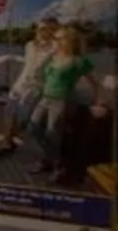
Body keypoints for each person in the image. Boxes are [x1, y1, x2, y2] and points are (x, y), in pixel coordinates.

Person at [32, 24, 97, 180]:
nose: (54, 40)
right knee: (33, 128)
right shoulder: (53, 57)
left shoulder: (78, 61)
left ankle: (57, 167)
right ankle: (49, 158)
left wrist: (97, 101)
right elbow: (39, 73)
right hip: (45, 98)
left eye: (58, 38)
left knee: (53, 134)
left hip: (61, 100)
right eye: (54, 38)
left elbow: (94, 82)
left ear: (67, 40)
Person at [0, 18, 61, 157]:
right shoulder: (29, 45)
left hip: (35, 86)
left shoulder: (55, 48)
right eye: (41, 28)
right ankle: (5, 141)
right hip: (20, 83)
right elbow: (28, 62)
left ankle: (11, 140)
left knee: (21, 116)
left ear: (53, 30)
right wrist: (13, 57)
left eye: (48, 29)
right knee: (9, 111)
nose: (43, 31)